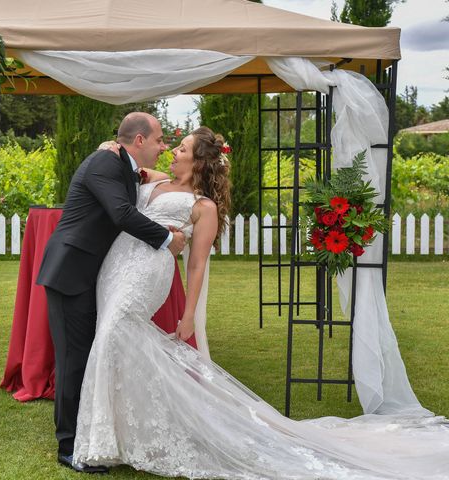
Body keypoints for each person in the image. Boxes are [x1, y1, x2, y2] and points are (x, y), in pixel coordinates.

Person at [73, 127, 449, 479]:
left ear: (199, 163)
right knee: (115, 340)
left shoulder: (203, 207)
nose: (174, 151)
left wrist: (189, 315)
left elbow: (198, 263)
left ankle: (103, 438)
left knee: (113, 333)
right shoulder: (154, 180)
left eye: (182, 149)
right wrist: (112, 147)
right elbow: (126, 168)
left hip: (146, 275)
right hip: (116, 268)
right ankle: (119, 431)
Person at [36, 112, 186, 474]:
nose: (163, 146)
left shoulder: (123, 164)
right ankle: (69, 447)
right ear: (138, 141)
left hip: (92, 274)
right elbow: (120, 213)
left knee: (89, 356)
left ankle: (90, 435)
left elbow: (165, 180)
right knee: (73, 360)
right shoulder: (105, 161)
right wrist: (168, 240)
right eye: (159, 140)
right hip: (70, 272)